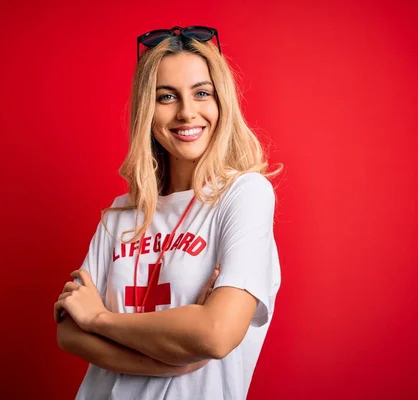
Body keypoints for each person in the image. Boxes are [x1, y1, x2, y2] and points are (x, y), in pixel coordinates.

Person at [54, 25, 282, 400]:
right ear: (147, 108)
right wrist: (173, 357)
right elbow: (68, 332)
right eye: (166, 97)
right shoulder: (118, 216)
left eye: (202, 93)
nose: (186, 113)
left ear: (222, 101)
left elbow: (215, 333)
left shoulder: (244, 195)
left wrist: (99, 319)